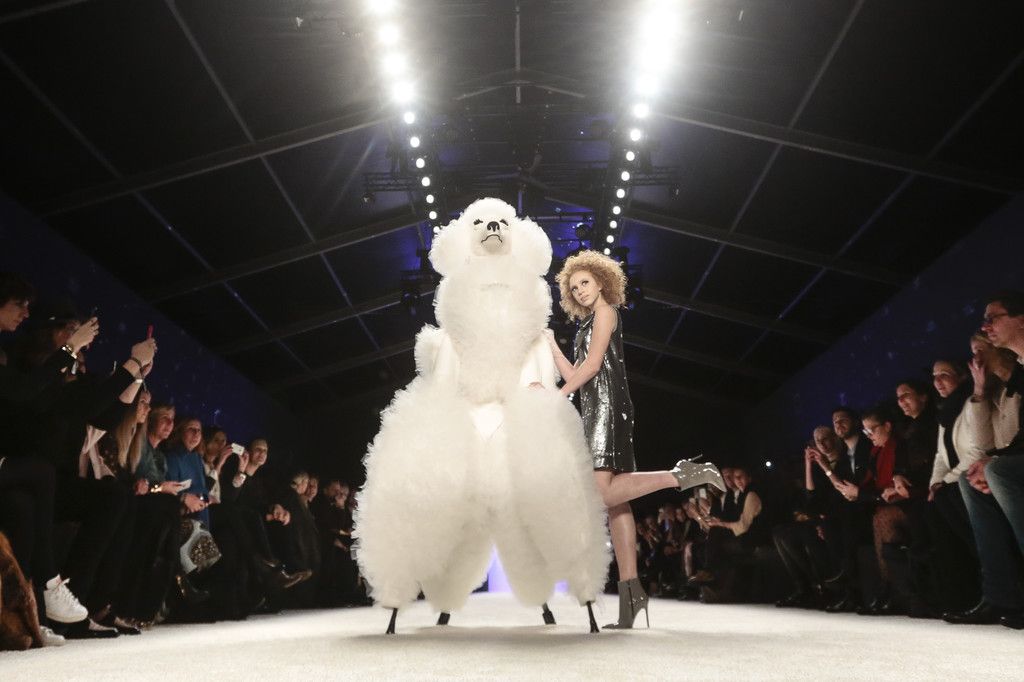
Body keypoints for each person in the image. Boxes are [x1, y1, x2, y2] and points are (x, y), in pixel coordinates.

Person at [548, 250, 724, 628]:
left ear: (601, 282)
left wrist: (557, 396)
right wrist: (550, 344)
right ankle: (632, 596)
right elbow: (576, 372)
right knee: (617, 504)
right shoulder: (586, 325)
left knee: (601, 495)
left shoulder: (607, 312)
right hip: (595, 408)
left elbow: (593, 367)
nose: (580, 291)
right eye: (574, 287)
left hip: (608, 407)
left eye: (585, 283)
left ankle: (683, 474)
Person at [946, 290, 1024, 629]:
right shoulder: (1004, 384)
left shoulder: (1017, 377)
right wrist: (990, 460)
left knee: (1000, 473)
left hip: (1013, 466)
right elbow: (985, 446)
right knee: (971, 479)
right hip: (1013, 460)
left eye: (992, 319)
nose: (986, 327)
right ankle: (1000, 596)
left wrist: (994, 461)